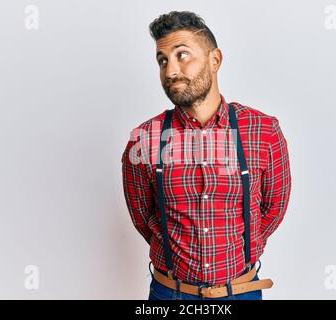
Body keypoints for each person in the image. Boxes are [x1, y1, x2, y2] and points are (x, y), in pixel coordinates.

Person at [121, 11, 292, 300]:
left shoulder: (263, 130)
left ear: (215, 60)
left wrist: (242, 248)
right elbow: (143, 217)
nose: (171, 70)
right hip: (170, 294)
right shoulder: (144, 139)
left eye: (182, 55)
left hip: (241, 290)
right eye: (162, 61)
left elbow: (273, 209)